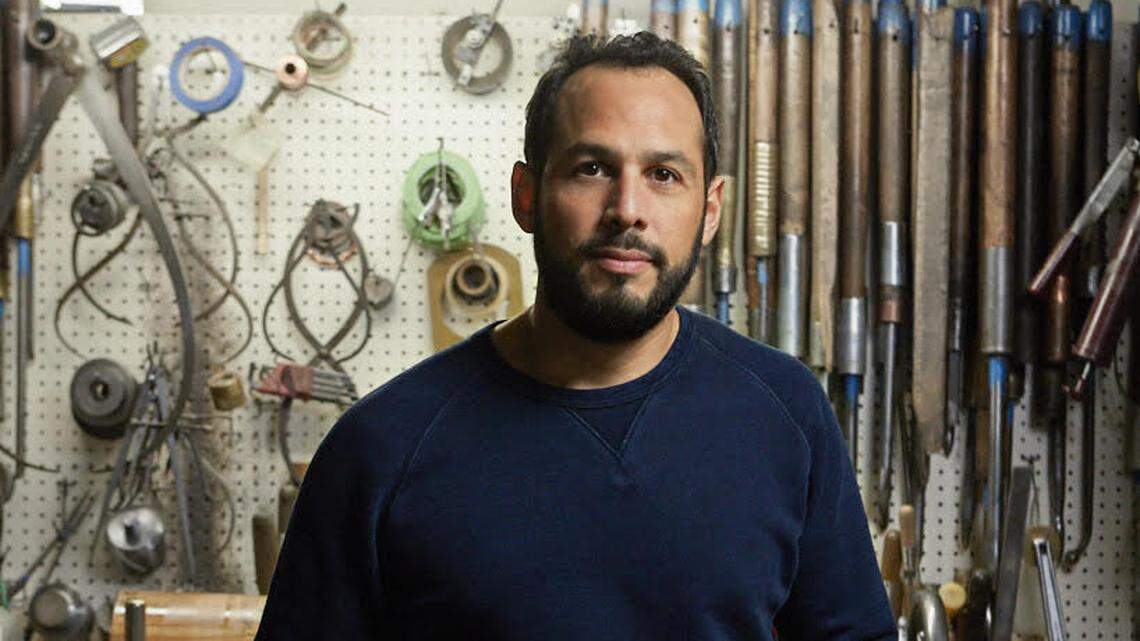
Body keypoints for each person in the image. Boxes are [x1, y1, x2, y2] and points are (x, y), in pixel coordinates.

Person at [255, 32, 894, 640]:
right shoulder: (381, 450)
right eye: (591, 168)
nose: (627, 208)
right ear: (526, 196)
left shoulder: (784, 412)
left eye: (664, 175)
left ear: (711, 210)